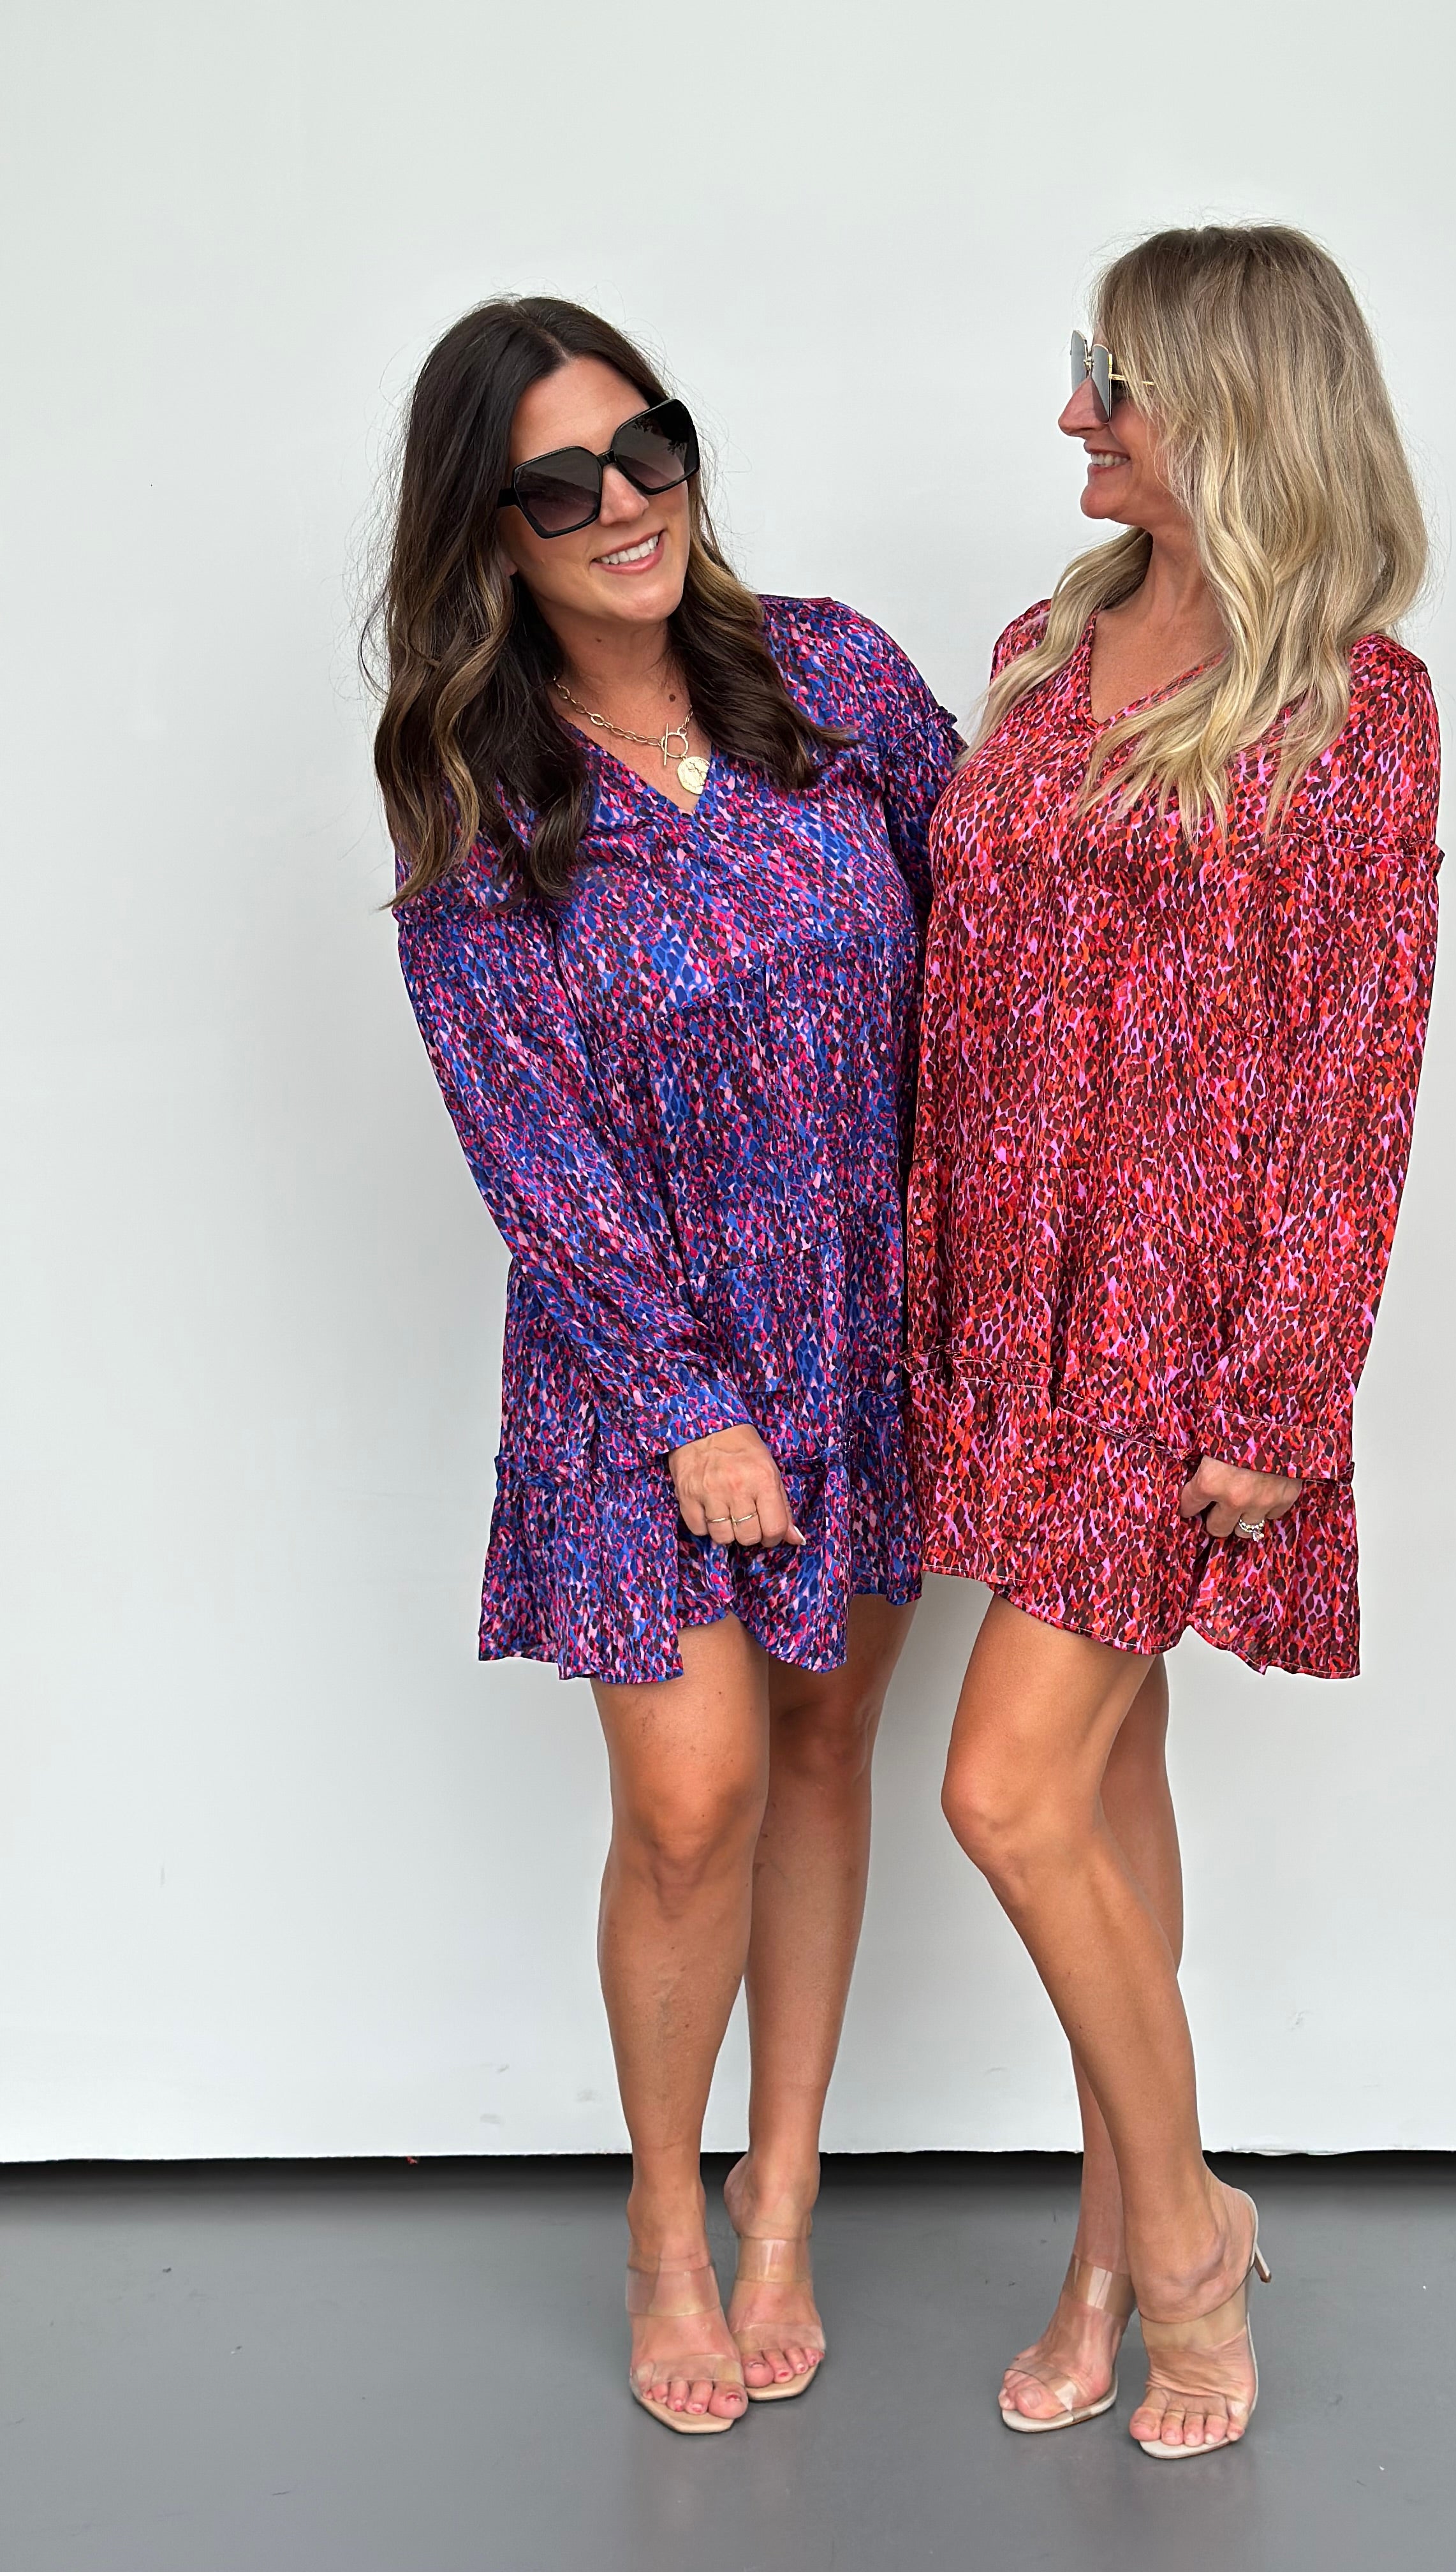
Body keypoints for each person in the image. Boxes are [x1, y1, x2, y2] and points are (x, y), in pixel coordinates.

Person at [372, 297, 957, 2434]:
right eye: (560, 485)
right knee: (692, 1800)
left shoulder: (838, 676)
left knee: (825, 1742)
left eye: (651, 449)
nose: (625, 504)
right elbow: (521, 1133)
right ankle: (661, 2221)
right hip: (637, 1367)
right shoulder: (478, 789)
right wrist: (690, 1402)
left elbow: (991, 957)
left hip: (865, 1326)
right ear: (489, 533)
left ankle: (779, 2205)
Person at [906, 224, 1439, 2459]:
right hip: (1008, 1305)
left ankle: (1195, 2252)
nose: (1072, 415)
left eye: (1109, 380)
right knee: (1107, 1796)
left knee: (1004, 1790)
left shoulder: (1359, 708)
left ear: (1231, 404)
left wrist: (1286, 1387)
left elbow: (1357, 1060)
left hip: (1176, 1330)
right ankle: (1113, 2247)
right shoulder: (1044, 648)